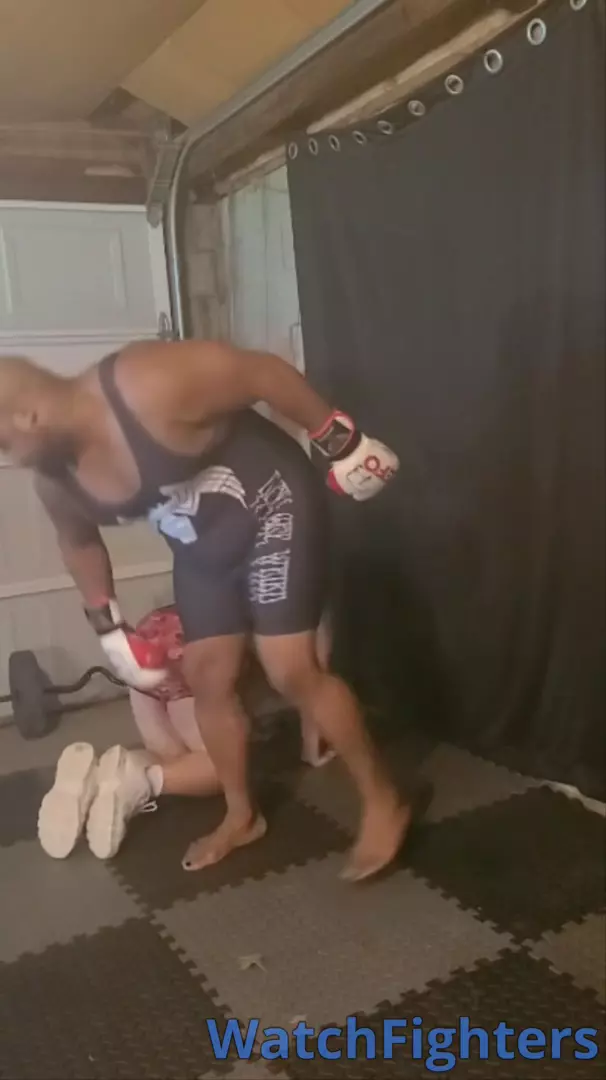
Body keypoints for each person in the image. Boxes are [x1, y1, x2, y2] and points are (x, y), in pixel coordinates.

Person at [0, 340, 406, 880]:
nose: (8, 458)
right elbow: (78, 543)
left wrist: (343, 443)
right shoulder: (55, 481)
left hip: (274, 508)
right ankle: (242, 816)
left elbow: (262, 373)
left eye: (4, 443)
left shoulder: (146, 384)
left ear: (29, 416)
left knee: (289, 667)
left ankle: (384, 801)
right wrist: (109, 628)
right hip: (202, 547)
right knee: (206, 675)